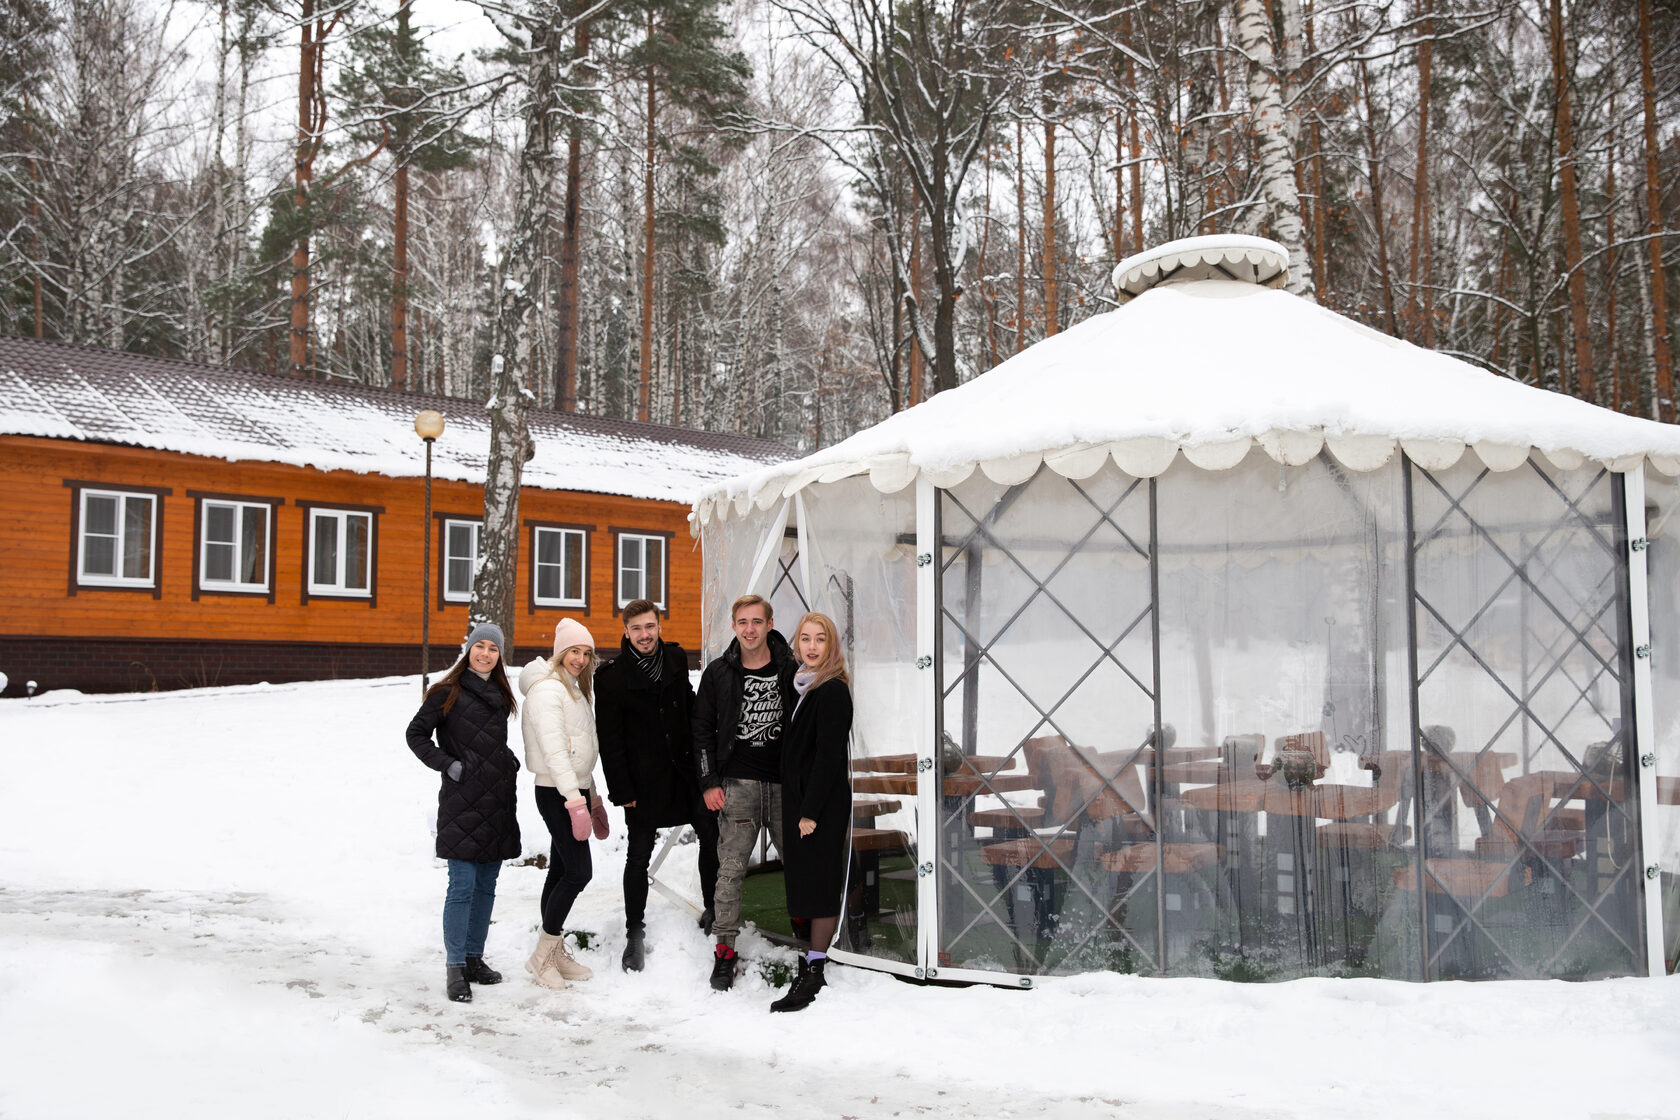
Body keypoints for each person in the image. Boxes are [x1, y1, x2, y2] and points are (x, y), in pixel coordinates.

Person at [595, 599, 719, 972]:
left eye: (650, 627)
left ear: (658, 625)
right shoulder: (611, 677)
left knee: (710, 834)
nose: (645, 635)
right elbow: (610, 740)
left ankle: (713, 909)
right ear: (626, 631)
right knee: (638, 855)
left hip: (684, 775)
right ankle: (635, 929)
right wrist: (622, 791)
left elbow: (688, 704)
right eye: (637, 629)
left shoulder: (676, 659)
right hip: (643, 783)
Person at [405, 622, 522, 1004]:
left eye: (493, 648)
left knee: (487, 885)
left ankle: (474, 958)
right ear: (468, 650)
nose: (486, 653)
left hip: (497, 800)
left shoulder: (502, 694)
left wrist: (507, 761)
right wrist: (449, 765)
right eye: (480, 646)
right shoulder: (445, 692)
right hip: (462, 800)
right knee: (462, 886)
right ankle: (455, 966)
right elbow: (416, 735)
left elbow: (491, 741)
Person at [693, 594, 797, 991]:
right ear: (734, 627)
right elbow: (701, 729)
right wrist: (709, 782)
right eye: (742, 622)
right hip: (736, 785)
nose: (749, 629)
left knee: (799, 867)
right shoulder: (719, 672)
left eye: (757, 621)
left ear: (770, 624)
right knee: (730, 870)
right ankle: (724, 953)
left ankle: (810, 943)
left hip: (784, 784)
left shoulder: (792, 668)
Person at [518, 618, 609, 989]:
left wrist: (593, 796)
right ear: (560, 652)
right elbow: (556, 754)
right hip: (556, 792)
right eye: (574, 651)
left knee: (560, 870)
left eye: (586, 653)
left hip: (573, 790)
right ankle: (542, 956)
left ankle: (552, 953)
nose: (581, 659)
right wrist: (575, 802)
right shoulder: (547, 692)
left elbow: (581, 752)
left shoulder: (573, 688)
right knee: (578, 872)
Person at [770, 612, 853, 1012]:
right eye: (806, 639)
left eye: (821, 640)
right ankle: (809, 961)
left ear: (831, 645)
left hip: (819, 806)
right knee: (805, 883)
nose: (813, 647)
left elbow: (828, 757)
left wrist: (810, 811)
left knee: (819, 887)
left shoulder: (832, 691)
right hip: (803, 803)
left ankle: (815, 970)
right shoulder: (805, 685)